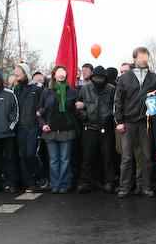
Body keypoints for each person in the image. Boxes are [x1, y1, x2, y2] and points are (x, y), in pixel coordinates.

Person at [114, 47, 156, 198]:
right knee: (126, 157)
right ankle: (124, 187)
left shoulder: (154, 78)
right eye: (142, 56)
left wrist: (155, 95)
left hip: (146, 122)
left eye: (146, 55)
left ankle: (146, 187)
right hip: (128, 122)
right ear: (135, 58)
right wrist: (119, 121)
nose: (145, 58)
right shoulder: (125, 77)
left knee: (147, 156)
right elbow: (118, 100)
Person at [37, 65, 78, 194]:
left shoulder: (71, 91)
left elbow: (71, 108)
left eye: (63, 73)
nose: (61, 75)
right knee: (53, 159)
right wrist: (43, 124)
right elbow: (39, 111)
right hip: (50, 130)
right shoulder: (46, 91)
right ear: (54, 75)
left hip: (66, 129)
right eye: (58, 73)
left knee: (65, 159)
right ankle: (55, 184)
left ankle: (64, 184)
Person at [76, 66, 116, 193]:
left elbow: (115, 106)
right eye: (96, 78)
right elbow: (78, 106)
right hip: (90, 128)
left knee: (108, 157)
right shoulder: (85, 88)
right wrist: (85, 116)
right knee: (87, 157)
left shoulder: (111, 89)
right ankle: (85, 182)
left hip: (106, 128)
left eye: (101, 78)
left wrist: (110, 119)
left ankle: (109, 182)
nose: (98, 80)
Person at [14, 63, 47, 192]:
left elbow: (44, 104)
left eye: (18, 74)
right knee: (22, 155)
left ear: (25, 73)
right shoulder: (16, 88)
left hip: (33, 125)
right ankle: (30, 183)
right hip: (20, 126)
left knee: (30, 154)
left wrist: (41, 114)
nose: (16, 76)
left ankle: (42, 175)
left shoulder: (38, 88)